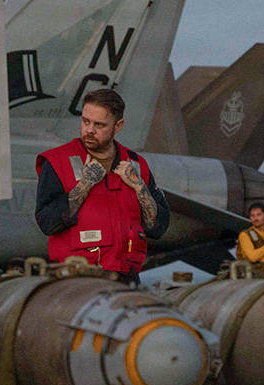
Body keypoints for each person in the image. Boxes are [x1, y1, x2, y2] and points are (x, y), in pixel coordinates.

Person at [34, 89, 169, 283]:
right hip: (76, 283)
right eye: (85, 121)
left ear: (118, 125)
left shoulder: (137, 165)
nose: (89, 130)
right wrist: (86, 183)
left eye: (99, 125)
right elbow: (47, 222)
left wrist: (139, 187)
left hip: (126, 281)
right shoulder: (57, 162)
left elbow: (158, 227)